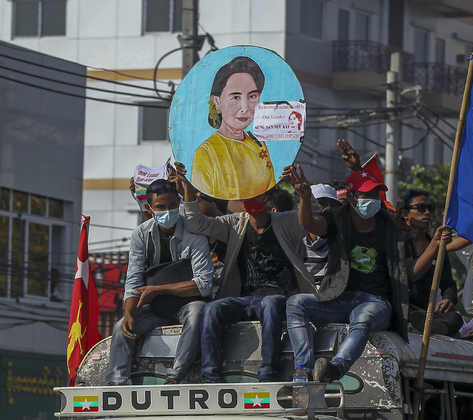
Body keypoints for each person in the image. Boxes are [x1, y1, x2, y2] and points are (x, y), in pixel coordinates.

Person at [286, 152, 440, 382]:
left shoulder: (393, 230)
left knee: (363, 320)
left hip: (376, 302)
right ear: (351, 197)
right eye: (366, 194)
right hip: (340, 297)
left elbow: (411, 273)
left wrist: (435, 244)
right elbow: (308, 223)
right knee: (295, 303)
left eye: (376, 195)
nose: (373, 200)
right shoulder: (337, 221)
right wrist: (305, 198)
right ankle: (303, 369)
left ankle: (334, 369)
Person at [174, 167, 319, 383]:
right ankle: (210, 376)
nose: (252, 204)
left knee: (270, 305)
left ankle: (268, 372)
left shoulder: (285, 221)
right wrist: (187, 188)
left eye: (258, 197)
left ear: (268, 200)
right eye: (248, 198)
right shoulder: (235, 223)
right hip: (243, 298)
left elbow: (314, 219)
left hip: (279, 297)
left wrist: (304, 195)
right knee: (212, 309)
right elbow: (196, 222)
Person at [106, 179, 216, 385]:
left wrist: (157, 289)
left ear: (179, 203)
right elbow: (133, 280)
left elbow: (203, 284)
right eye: (161, 207)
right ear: (149, 208)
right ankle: (115, 384)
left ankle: (176, 375)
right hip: (156, 308)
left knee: (197, 314)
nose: (168, 211)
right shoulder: (141, 234)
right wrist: (129, 312)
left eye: (172, 205)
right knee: (121, 327)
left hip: (188, 303)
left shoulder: (195, 232)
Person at [191, 56, 276, 200]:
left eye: (252, 96)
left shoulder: (259, 145)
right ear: (217, 101)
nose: (245, 108)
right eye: (235, 97)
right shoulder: (206, 153)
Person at [396, 189, 462, 336]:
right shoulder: (398, 241)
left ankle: (430, 325)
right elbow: (411, 274)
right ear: (404, 213)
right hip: (403, 305)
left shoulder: (439, 247)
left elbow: (448, 283)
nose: (427, 213)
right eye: (420, 208)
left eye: (430, 209)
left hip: (427, 310)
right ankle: (425, 324)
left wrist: (448, 298)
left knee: (456, 318)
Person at [304, 184, 342, 287]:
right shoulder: (294, 239)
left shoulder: (343, 239)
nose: (327, 209)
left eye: (333, 205)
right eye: (320, 203)